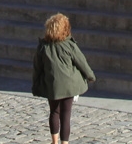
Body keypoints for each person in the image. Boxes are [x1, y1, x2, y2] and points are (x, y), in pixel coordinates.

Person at [32, 12, 95, 144]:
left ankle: (54, 141)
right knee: (66, 115)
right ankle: (64, 143)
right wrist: (90, 76)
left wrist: (36, 83)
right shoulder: (69, 45)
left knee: (54, 112)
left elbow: (37, 67)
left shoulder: (43, 47)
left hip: (52, 85)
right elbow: (81, 62)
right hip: (69, 86)